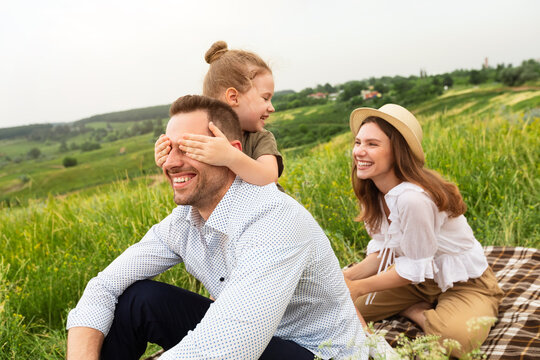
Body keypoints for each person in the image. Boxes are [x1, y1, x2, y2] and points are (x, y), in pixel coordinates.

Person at [66, 95, 370, 360]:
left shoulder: (274, 218)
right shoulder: (183, 222)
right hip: (252, 341)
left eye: (189, 147)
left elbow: (227, 350)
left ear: (231, 152)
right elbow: (103, 286)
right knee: (140, 299)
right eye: (167, 148)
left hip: (315, 352)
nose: (171, 162)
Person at [343, 104, 504, 357]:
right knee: (342, 308)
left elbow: (413, 268)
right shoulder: (373, 190)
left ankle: (416, 310)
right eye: (358, 142)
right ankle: (420, 304)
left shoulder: (413, 199)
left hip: (463, 281)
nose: (359, 151)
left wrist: (359, 287)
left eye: (372, 144)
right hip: (416, 281)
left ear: (397, 152)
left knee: (455, 342)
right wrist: (348, 279)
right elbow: (384, 251)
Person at [155, 41, 284, 189]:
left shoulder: (260, 138)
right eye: (265, 98)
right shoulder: (203, 137)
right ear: (233, 97)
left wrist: (229, 156)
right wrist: (167, 156)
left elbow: (269, 178)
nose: (271, 107)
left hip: (266, 210)